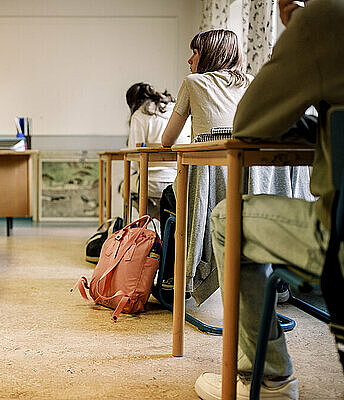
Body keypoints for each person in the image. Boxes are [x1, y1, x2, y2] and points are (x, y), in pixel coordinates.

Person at [195, 0, 344, 399]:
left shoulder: (323, 19)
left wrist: (299, 26)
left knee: (226, 219)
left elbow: (249, 123)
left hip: (339, 240)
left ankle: (269, 377)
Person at [159, 29, 313, 302]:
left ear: (210, 54)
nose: (189, 59)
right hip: (252, 181)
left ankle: (176, 278)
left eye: (194, 52)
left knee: (169, 197)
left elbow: (167, 140)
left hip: (210, 183)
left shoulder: (193, 82)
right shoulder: (252, 83)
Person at [125, 83, 190, 219]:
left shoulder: (140, 114)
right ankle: (165, 216)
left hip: (150, 182)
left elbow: (135, 160)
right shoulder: (177, 109)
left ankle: (156, 216)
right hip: (179, 180)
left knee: (124, 188)